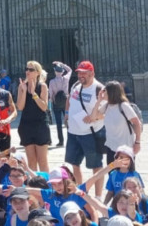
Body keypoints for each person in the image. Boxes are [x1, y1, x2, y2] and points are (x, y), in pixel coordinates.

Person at [65, 61, 105, 196]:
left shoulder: (99, 89)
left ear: (92, 73)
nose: (81, 75)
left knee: (96, 166)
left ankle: (98, 196)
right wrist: (66, 114)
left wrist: (95, 117)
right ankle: (79, 192)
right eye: (79, 73)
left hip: (91, 133)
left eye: (84, 73)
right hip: (73, 132)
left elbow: (107, 111)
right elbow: (69, 99)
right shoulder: (76, 85)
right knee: (74, 164)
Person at [16, 61, 50, 172]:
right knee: (31, 161)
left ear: (37, 72)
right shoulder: (21, 86)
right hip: (26, 126)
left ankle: (46, 185)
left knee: (42, 161)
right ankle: (34, 185)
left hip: (40, 125)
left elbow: (44, 107)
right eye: (27, 69)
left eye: (31, 70)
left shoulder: (42, 86)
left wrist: (34, 94)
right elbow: (20, 107)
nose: (27, 72)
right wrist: (25, 91)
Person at [100, 81, 142, 166]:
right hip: (111, 147)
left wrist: (137, 142)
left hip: (125, 149)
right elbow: (93, 117)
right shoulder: (107, 106)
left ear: (111, 93)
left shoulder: (123, 106)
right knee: (112, 174)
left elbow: (137, 123)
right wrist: (99, 100)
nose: (103, 92)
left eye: (105, 91)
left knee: (125, 175)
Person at [48, 62, 71, 147]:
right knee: (68, 122)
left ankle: (61, 141)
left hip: (56, 104)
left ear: (55, 72)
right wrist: (61, 64)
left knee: (58, 123)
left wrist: (49, 107)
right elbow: (70, 70)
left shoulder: (52, 82)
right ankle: (70, 140)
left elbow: (50, 95)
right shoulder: (66, 78)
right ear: (62, 72)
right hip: (66, 103)